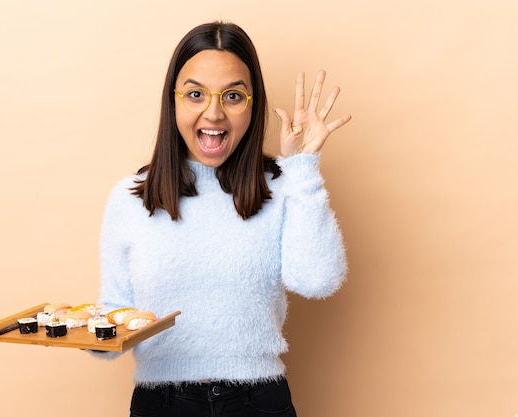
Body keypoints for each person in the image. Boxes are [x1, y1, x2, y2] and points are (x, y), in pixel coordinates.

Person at [92, 21, 351, 417]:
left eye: (232, 96)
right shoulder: (130, 197)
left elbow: (317, 281)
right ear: (173, 100)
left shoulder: (285, 186)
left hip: (258, 401)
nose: (213, 113)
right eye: (195, 94)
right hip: (161, 404)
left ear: (253, 102)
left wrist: (302, 167)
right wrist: (93, 335)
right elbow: (116, 309)